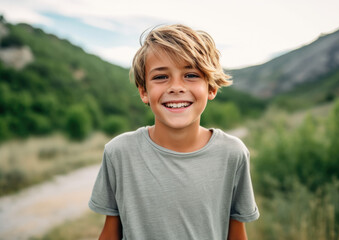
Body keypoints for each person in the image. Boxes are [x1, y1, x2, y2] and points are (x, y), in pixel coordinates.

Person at [89, 24, 259, 240]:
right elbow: (110, 233)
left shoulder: (233, 153)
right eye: (161, 77)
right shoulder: (119, 152)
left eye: (190, 75)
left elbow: (237, 234)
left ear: (211, 88)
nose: (176, 87)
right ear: (144, 91)